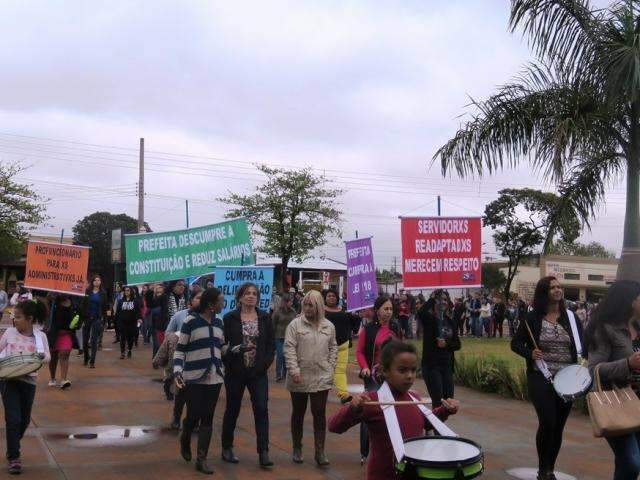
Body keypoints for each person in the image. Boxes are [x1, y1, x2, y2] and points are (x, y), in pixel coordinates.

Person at [329, 340, 460, 480]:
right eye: (402, 370)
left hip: (412, 473)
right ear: (385, 371)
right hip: (383, 475)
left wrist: (445, 410)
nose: (409, 376)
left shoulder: (414, 398)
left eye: (413, 370)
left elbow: (424, 423)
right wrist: (353, 408)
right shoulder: (372, 400)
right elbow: (334, 426)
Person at [511, 276, 583, 480]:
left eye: (559, 287)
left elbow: (582, 344)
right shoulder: (532, 318)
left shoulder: (571, 317)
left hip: (567, 380)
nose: (558, 290)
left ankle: (551, 468)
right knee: (548, 422)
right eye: (553, 287)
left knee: (559, 426)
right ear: (544, 292)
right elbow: (515, 344)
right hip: (541, 377)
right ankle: (543, 470)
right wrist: (530, 353)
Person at [585, 280, 640, 480]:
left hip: (638, 404)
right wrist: (628, 363)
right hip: (618, 403)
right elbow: (593, 370)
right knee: (632, 463)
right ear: (630, 301)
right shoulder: (605, 329)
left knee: (627, 463)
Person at [221, 282, 275, 467]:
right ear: (240, 297)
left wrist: (264, 365)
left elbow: (270, 346)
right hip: (236, 372)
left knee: (261, 408)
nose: (251, 296)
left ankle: (264, 452)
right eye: (247, 293)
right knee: (232, 409)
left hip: (258, 372)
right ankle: (227, 447)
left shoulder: (265, 318)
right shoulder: (229, 318)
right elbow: (223, 346)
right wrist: (231, 363)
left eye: (254, 293)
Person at [174, 287, 226, 475]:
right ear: (211, 304)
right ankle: (185, 436)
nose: (223, 304)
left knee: (208, 417)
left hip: (215, 376)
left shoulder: (220, 321)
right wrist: (177, 370)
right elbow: (180, 349)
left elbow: (220, 347)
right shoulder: (191, 322)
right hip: (194, 376)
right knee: (194, 414)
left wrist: (237, 349)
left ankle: (201, 459)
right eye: (220, 301)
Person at [284, 290, 337, 466]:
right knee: (298, 413)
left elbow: (333, 347)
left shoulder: (329, 326)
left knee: (319, 414)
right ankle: (297, 448)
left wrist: (330, 366)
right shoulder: (295, 325)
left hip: (322, 377)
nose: (307, 308)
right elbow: (289, 348)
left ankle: (320, 451)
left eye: (311, 305)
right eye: (305, 305)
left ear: (319, 307)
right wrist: (294, 370)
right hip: (299, 376)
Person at [0, 300, 51, 475]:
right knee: (13, 419)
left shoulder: (40, 337)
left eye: (19, 317)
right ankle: (14, 457)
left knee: (24, 421)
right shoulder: (9, 333)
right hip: (9, 380)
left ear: (30, 318)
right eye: (14, 316)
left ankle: (13, 443)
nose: (15, 320)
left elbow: (48, 358)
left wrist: (40, 356)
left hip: (29, 382)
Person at [355, 294, 401, 464]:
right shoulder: (368, 330)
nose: (389, 312)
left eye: (391, 309)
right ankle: (364, 452)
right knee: (370, 412)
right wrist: (365, 367)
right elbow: (359, 351)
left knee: (393, 413)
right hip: (373, 377)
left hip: (392, 378)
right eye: (385, 309)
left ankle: (391, 450)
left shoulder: (395, 328)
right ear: (377, 310)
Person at [418, 290, 461, 408]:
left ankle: (436, 424)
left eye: (445, 300)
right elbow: (421, 312)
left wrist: (446, 344)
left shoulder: (450, 322)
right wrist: (432, 297)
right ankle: (434, 425)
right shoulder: (429, 319)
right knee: (438, 402)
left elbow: (457, 344)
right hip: (432, 366)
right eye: (439, 299)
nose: (443, 302)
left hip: (447, 366)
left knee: (448, 402)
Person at [323, 288, 359, 403]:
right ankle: (319, 393)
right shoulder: (320, 310)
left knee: (340, 371)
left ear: (337, 298)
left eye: (333, 296)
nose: (331, 298)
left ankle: (343, 395)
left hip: (343, 346)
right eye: (329, 296)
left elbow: (355, 323)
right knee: (324, 370)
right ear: (325, 298)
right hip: (325, 346)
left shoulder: (344, 310)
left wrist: (356, 316)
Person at [153, 327, 184, 430]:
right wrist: (157, 361)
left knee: (190, 397)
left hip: (191, 369)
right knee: (179, 394)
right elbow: (163, 350)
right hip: (174, 366)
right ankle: (176, 418)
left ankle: (192, 421)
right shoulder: (173, 337)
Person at [47, 295, 78, 389]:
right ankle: (52, 378)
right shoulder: (53, 300)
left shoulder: (73, 301)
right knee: (53, 357)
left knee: (64, 354)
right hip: (54, 334)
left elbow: (79, 313)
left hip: (67, 333)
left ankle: (63, 380)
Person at [80, 275, 108, 368]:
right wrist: (82, 319)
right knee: (85, 340)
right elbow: (83, 305)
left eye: (98, 280)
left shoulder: (103, 293)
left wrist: (105, 320)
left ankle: (92, 361)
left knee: (93, 340)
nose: (97, 282)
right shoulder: (87, 292)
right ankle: (86, 357)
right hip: (87, 318)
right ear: (92, 282)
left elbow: (105, 308)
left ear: (100, 282)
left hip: (97, 318)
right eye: (95, 280)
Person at [272, 293, 296, 382]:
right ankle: (278, 374)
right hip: (279, 336)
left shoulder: (293, 311)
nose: (292, 303)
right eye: (290, 301)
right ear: (285, 302)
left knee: (287, 356)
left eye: (292, 301)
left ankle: (285, 374)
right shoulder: (277, 312)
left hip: (290, 337)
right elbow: (273, 324)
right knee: (280, 355)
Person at [115, 286, 141, 360]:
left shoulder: (135, 301)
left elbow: (138, 311)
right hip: (122, 322)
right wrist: (116, 321)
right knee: (122, 338)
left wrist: (139, 318)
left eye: (128, 290)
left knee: (130, 338)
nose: (126, 292)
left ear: (131, 291)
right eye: (125, 291)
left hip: (132, 322)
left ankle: (129, 350)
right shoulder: (121, 301)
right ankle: (122, 352)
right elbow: (118, 311)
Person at [150, 284, 169, 357]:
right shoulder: (153, 301)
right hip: (155, 325)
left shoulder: (165, 301)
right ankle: (155, 358)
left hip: (163, 324)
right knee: (156, 344)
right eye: (157, 292)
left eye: (161, 292)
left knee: (163, 343)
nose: (159, 294)